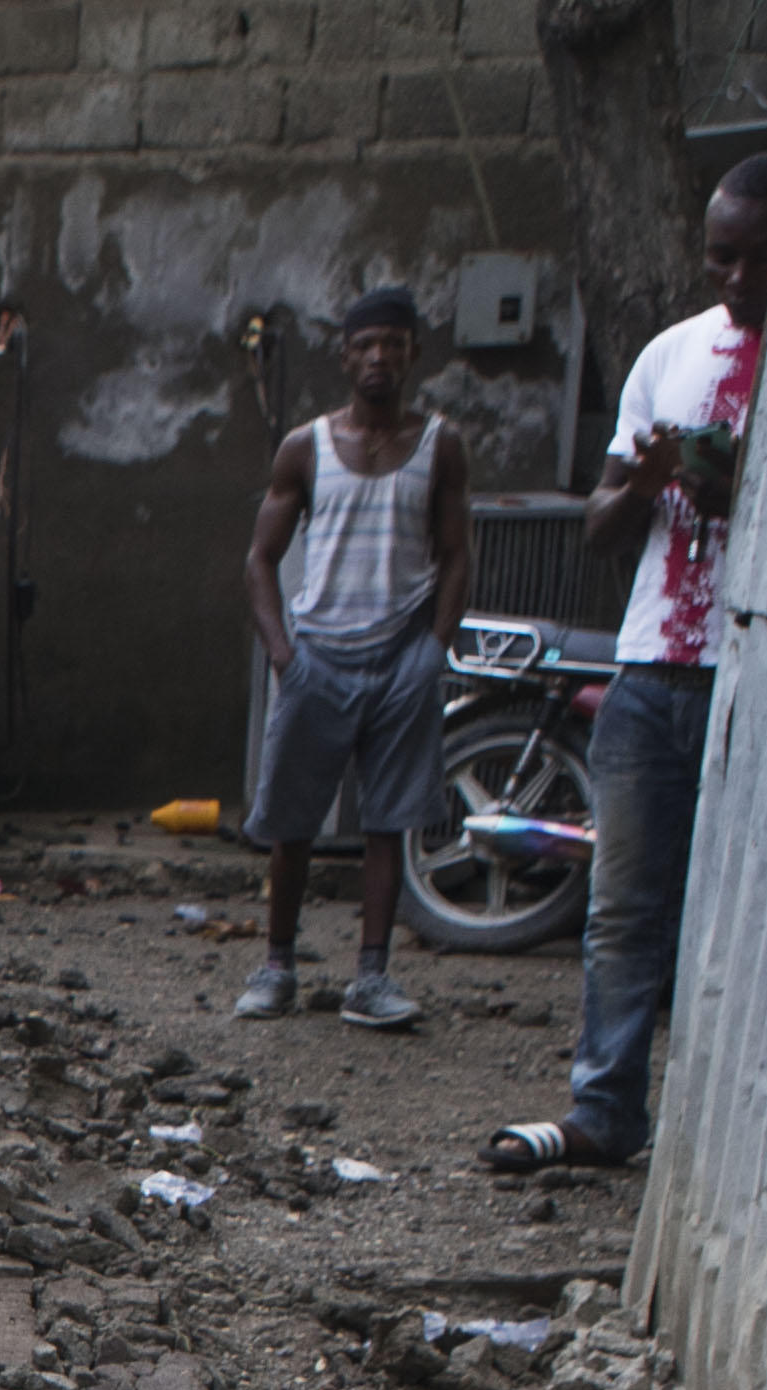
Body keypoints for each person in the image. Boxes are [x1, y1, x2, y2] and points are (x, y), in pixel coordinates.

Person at [491, 151, 767, 1173]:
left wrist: (727, 487)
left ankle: (730, 1138)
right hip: (653, 665)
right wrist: (652, 478)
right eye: (722, 258)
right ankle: (606, 1107)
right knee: (622, 906)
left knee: (737, 916)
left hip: (759, 668)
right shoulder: (673, 356)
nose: (739, 279)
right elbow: (602, 527)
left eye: (760, 257)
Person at [235, 285, 470, 1030]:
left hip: (402, 656)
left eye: (393, 345)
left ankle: (371, 977)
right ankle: (278, 966)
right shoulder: (306, 447)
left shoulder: (440, 445)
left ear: (412, 355)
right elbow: (260, 559)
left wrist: (433, 649)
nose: (379, 358)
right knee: (292, 821)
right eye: (366, 345)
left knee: (388, 821)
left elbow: (459, 555)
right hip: (319, 657)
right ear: (345, 356)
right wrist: (283, 653)